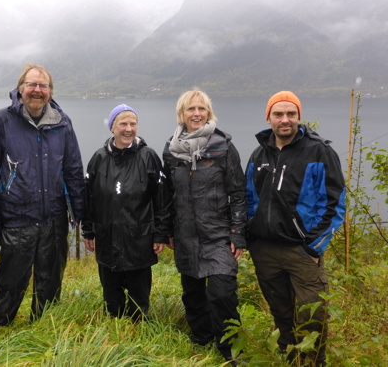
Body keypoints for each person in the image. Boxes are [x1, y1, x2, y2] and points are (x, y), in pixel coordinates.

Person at [0, 63, 85, 331]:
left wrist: (81, 214)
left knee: (50, 281)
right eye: (32, 85)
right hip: (16, 217)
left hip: (54, 218)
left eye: (43, 85)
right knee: (11, 280)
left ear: (50, 91)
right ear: (20, 88)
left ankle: (43, 328)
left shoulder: (62, 122)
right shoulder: (0, 121)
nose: (37, 90)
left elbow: (73, 170)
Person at [245, 91, 346, 366]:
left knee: (312, 314)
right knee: (281, 311)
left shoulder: (319, 151)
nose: (285, 119)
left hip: (301, 250)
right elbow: (250, 199)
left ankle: (313, 361)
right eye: (278, 114)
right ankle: (288, 358)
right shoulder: (259, 153)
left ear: (299, 116)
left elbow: (335, 204)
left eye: (291, 114)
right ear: (269, 117)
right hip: (265, 249)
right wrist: (251, 238)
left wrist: (313, 247)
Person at [162, 89, 246, 365]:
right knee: (192, 292)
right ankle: (201, 338)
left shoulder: (222, 146)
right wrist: (169, 231)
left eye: (202, 109)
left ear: (209, 113)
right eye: (191, 109)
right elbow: (169, 195)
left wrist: (237, 233)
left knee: (222, 293)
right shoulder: (171, 150)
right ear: (181, 114)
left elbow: (238, 192)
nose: (196, 114)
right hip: (186, 234)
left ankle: (231, 349)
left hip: (218, 234)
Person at [82, 104, 171, 321]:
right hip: (107, 237)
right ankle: (116, 329)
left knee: (139, 295)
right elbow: (88, 198)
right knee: (111, 295)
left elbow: (161, 199)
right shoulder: (99, 158)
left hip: (139, 240)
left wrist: (160, 233)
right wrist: (88, 230)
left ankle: (138, 327)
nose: (128, 128)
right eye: (123, 123)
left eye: (133, 123)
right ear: (112, 127)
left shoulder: (148, 157)